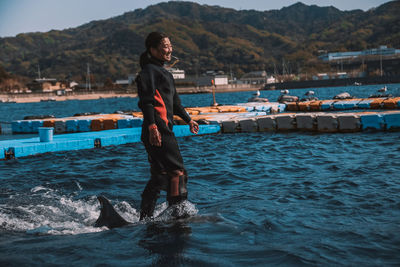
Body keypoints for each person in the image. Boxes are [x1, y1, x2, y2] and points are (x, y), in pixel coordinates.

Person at [135, 32, 199, 220]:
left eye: (170, 45)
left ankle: (145, 217)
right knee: (178, 172)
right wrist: (153, 127)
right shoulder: (148, 72)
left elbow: (175, 103)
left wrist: (188, 120)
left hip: (161, 130)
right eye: (164, 46)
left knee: (161, 175)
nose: (169, 49)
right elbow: (147, 102)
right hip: (158, 131)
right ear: (152, 49)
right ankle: (178, 214)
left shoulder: (166, 74)